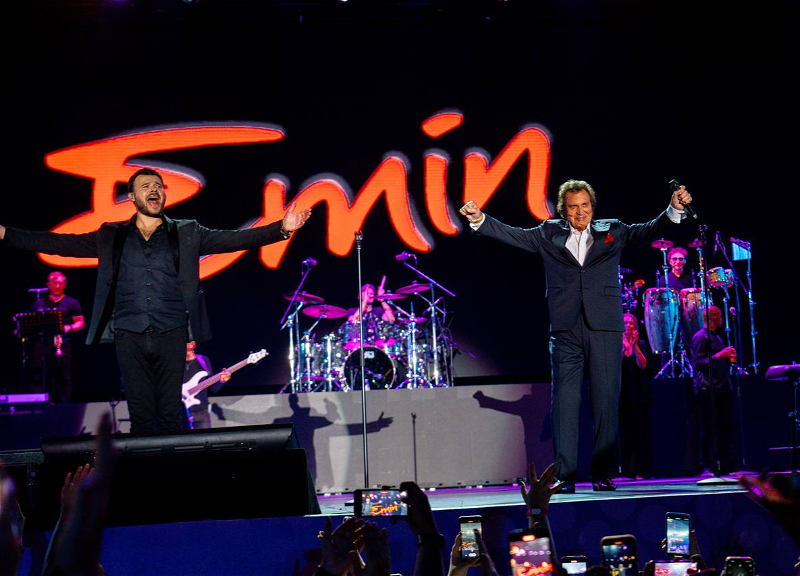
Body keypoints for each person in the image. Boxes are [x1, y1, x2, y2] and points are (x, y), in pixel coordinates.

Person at [0, 168, 311, 434]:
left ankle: (172, 478)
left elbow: (234, 238)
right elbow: (59, 243)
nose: (154, 190)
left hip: (172, 331)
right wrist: (6, 234)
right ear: (132, 197)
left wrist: (281, 229)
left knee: (170, 412)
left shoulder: (187, 231)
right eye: (146, 186)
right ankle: (144, 479)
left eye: (158, 186)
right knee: (140, 415)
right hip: (129, 332)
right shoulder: (111, 235)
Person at [460, 179, 692, 492]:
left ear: (592, 206)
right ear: (563, 210)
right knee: (564, 403)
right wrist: (479, 219)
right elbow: (513, 234)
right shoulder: (548, 233)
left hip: (604, 327)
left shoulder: (614, 230)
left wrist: (673, 210)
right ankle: (565, 475)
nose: (580, 212)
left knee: (605, 401)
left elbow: (648, 230)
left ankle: (602, 473)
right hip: (565, 328)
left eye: (585, 205)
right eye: (573, 207)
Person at [690, 305, 737, 475]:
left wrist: (728, 359)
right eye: (720, 317)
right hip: (707, 388)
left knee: (725, 427)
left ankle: (724, 465)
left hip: (721, 387)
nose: (722, 320)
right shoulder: (700, 337)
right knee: (709, 427)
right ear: (714, 318)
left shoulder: (716, 337)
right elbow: (698, 364)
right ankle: (705, 464)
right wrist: (719, 355)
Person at [29, 271, 85, 402]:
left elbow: (80, 323)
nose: (57, 286)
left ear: (65, 284)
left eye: (60, 283)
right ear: (48, 284)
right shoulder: (38, 304)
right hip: (42, 343)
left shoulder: (72, 303)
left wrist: (69, 327)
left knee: (62, 374)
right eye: (54, 283)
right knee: (38, 372)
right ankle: (39, 402)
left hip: (62, 342)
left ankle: (63, 404)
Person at [618, 313, 652, 479]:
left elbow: (642, 364)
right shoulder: (617, 343)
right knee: (625, 433)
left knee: (640, 433)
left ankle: (641, 470)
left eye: (631, 323)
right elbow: (618, 364)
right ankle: (625, 470)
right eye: (625, 323)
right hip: (623, 393)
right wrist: (625, 346)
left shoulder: (642, 343)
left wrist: (635, 345)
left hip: (639, 393)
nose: (628, 325)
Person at [182, 341, 230, 429]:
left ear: (193, 344)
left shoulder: (203, 360)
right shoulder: (174, 362)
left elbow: (213, 389)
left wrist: (222, 381)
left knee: (205, 437)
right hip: (182, 414)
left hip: (202, 412)